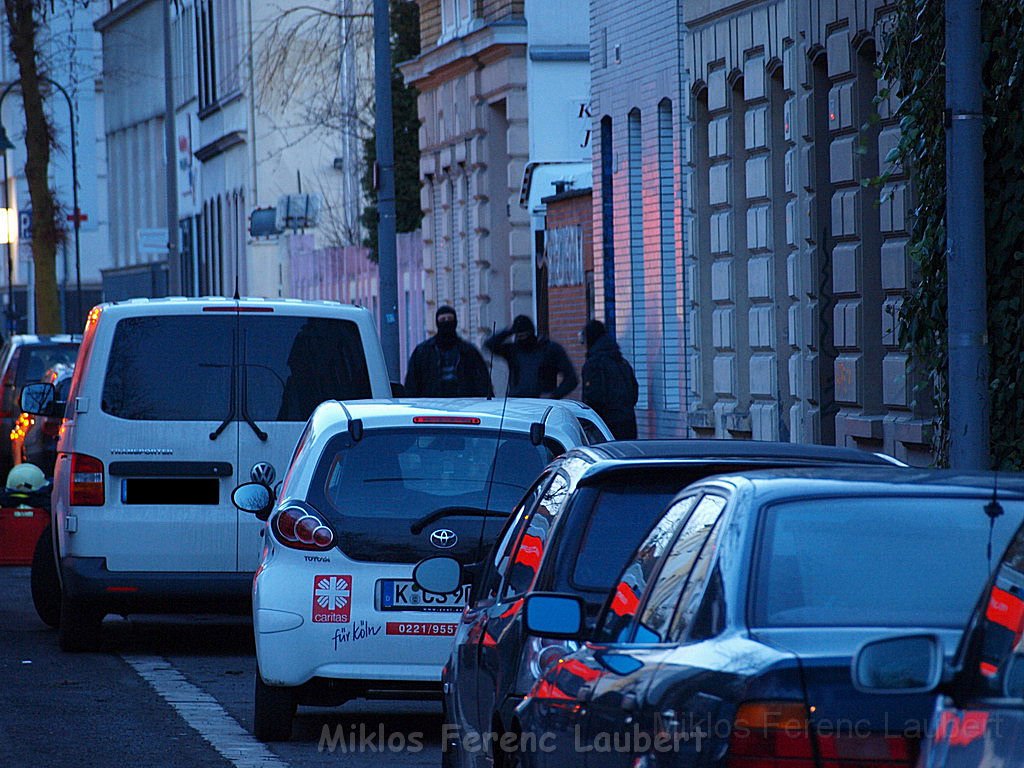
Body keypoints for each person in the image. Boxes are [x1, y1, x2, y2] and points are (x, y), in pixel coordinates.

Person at [404, 306, 493, 397]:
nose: (446, 322)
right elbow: (412, 384)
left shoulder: (469, 352)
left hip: (463, 405)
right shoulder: (422, 352)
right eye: (443, 319)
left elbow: (482, 382)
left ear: (455, 322)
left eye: (450, 319)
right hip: (432, 406)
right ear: (437, 323)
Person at [484, 315, 578, 398]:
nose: (522, 340)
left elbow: (571, 379)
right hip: (516, 402)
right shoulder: (513, 351)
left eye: (524, 335)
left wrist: (553, 395)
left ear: (531, 333)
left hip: (540, 403)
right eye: (518, 336)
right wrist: (510, 330)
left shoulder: (550, 350)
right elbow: (489, 344)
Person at [580, 319, 638, 439]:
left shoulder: (594, 364)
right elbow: (634, 393)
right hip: (628, 425)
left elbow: (592, 398)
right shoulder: (621, 362)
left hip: (605, 427)